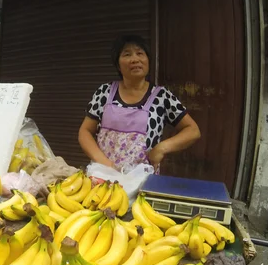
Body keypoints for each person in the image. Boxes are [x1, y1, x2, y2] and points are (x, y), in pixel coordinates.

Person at [78, 35, 201, 174]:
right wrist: (106, 164)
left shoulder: (162, 96)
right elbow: (85, 131)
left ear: (148, 60)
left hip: (142, 181)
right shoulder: (105, 92)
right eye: (127, 54)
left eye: (140, 53)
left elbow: (192, 130)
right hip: (103, 177)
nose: (135, 59)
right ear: (118, 65)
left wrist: (162, 147)